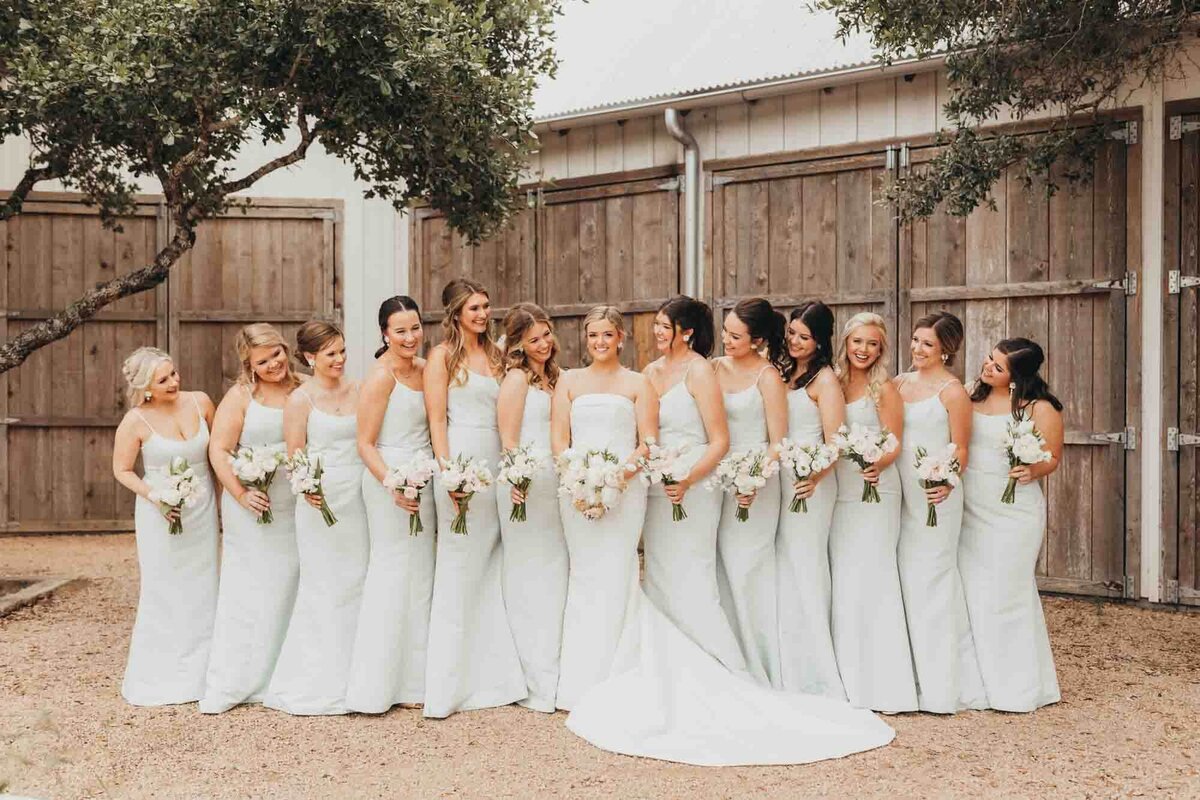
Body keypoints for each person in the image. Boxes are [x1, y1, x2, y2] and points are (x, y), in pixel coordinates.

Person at [960, 338, 1063, 712]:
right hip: (971, 508)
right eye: (990, 359)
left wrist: (1031, 468)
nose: (988, 368)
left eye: (999, 367)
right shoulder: (971, 397)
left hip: (1013, 511)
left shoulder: (1039, 407)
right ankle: (975, 682)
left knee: (1005, 593)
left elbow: (1051, 457)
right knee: (971, 591)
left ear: (1018, 376)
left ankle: (1017, 686)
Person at [111, 346, 218, 706]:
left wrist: (223, 509)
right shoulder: (135, 422)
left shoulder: (201, 402)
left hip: (202, 511)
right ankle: (163, 674)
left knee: (205, 586)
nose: (174, 382)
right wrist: (155, 495)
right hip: (160, 514)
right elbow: (122, 470)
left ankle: (206, 674)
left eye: (174, 374)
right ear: (145, 388)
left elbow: (217, 456)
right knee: (165, 588)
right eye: (163, 379)